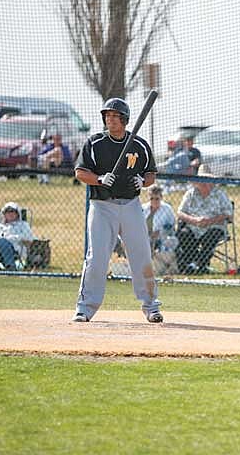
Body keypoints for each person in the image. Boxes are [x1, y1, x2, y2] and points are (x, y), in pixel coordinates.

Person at [72, 97, 163, 323]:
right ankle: (85, 308)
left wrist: (142, 181)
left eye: (114, 116)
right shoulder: (95, 143)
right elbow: (80, 173)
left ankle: (151, 306)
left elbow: (151, 174)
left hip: (131, 205)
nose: (110, 120)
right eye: (107, 116)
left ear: (124, 120)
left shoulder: (139, 145)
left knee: (141, 256)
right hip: (102, 206)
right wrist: (100, 179)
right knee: (97, 258)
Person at [175, 168, 233, 275]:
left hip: (214, 226)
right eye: (202, 180)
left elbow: (228, 214)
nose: (205, 183)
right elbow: (180, 212)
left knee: (210, 237)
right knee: (184, 234)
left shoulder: (220, 194)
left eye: (207, 180)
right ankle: (191, 264)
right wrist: (194, 220)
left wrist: (210, 221)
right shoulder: (190, 194)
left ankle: (200, 264)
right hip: (193, 225)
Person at [0, 202, 34, 271]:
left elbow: (29, 238)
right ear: (4, 214)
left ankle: (10, 267)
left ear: (17, 213)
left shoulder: (22, 225)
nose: (10, 213)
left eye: (12, 211)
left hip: (13, 250)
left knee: (2, 241)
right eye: (7, 212)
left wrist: (12, 238)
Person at [142, 184, 178, 275]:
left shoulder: (167, 209)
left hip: (161, 238)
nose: (154, 201)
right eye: (151, 198)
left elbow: (172, 226)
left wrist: (160, 232)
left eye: (157, 198)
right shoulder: (143, 208)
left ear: (161, 197)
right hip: (144, 238)